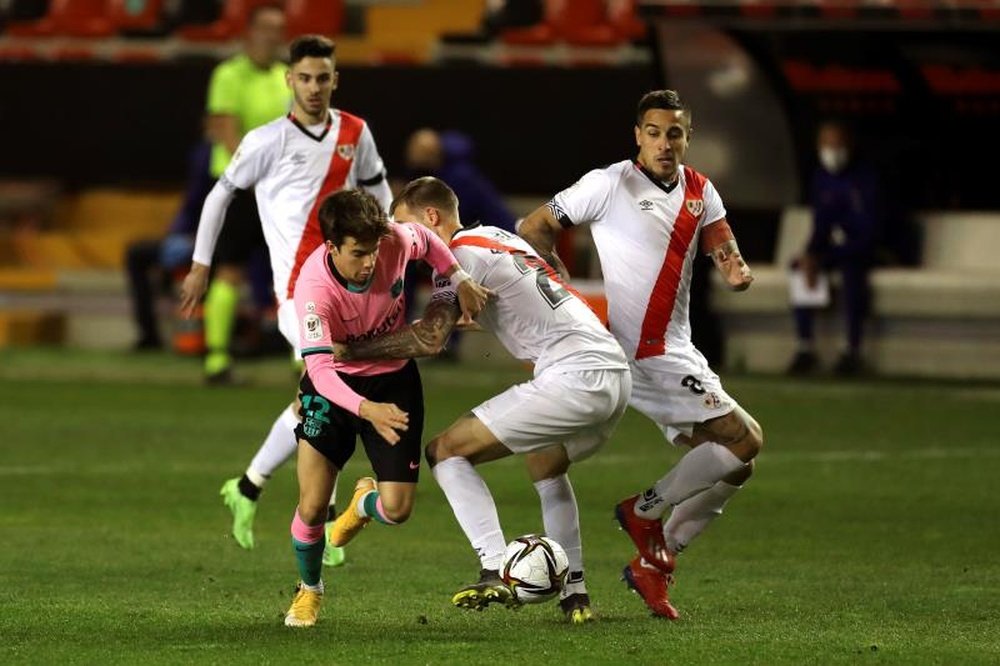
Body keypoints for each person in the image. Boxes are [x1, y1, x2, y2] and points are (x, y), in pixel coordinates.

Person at [330, 177, 632, 624]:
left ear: (431, 218)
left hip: (574, 376)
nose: (401, 240)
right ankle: (575, 594)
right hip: (613, 372)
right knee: (545, 465)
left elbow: (430, 338)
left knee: (446, 452)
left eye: (404, 224)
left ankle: (494, 566)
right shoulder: (496, 235)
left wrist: (350, 351)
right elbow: (550, 269)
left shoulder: (459, 257)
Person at [518, 89, 764, 620]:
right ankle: (643, 512)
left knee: (732, 467)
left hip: (673, 348)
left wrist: (735, 269)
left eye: (674, 133)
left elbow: (724, 246)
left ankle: (654, 563)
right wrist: (555, 282)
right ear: (638, 135)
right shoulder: (608, 184)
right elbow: (533, 226)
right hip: (643, 351)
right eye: (653, 132)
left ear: (687, 137)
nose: (663, 143)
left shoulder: (701, 191)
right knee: (745, 441)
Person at [180, 35, 394, 565]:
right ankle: (322, 519)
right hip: (298, 294)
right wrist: (202, 264)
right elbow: (220, 193)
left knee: (314, 400)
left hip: (348, 290)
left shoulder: (355, 132)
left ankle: (249, 486)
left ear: (335, 79)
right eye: (305, 78)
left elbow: (380, 189)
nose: (314, 87)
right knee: (333, 386)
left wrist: (391, 253)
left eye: (323, 78)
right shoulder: (267, 140)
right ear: (289, 80)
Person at [282, 189, 489, 627]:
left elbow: (429, 242)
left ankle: (362, 505)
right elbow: (318, 370)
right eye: (358, 253)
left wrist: (458, 276)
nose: (370, 262)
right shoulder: (313, 288)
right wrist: (366, 409)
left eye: (373, 250)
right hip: (333, 389)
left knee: (397, 510)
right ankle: (309, 590)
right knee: (314, 506)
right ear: (332, 246)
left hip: (394, 380)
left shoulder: (393, 239)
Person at [201, 3, 291, 384]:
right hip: (239, 187)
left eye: (278, 28)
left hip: (281, 189)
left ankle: (304, 360)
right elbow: (224, 130)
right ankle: (217, 360)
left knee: (293, 272)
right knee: (230, 270)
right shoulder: (228, 75)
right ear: (249, 31)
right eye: (265, 27)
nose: (272, 34)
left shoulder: (286, 77)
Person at [400, 128, 518, 359]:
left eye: (419, 151)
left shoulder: (457, 180)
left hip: (490, 245)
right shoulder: (435, 176)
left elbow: (446, 226)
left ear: (433, 154)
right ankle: (411, 330)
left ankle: (444, 341)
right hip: (475, 241)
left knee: (449, 273)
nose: (411, 155)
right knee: (409, 268)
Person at [787, 119, 882, 376]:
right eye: (827, 144)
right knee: (799, 267)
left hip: (867, 249)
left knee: (853, 274)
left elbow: (869, 233)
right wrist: (811, 254)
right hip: (837, 249)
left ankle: (852, 350)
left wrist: (825, 255)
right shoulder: (821, 179)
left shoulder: (865, 178)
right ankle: (805, 348)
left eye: (837, 143)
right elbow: (822, 225)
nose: (832, 150)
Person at [125, 141, 212, 351]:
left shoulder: (238, 154)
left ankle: (211, 337)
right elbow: (191, 206)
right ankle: (149, 335)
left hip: (222, 243)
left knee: (221, 265)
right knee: (137, 253)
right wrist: (178, 234)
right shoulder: (205, 153)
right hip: (193, 238)